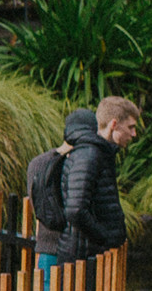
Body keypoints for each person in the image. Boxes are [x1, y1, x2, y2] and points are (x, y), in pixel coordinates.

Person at [36, 94, 141, 270]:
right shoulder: (89, 156)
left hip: (90, 257)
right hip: (81, 260)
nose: (133, 134)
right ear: (114, 124)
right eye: (130, 127)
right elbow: (76, 211)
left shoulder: (99, 154)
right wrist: (104, 237)